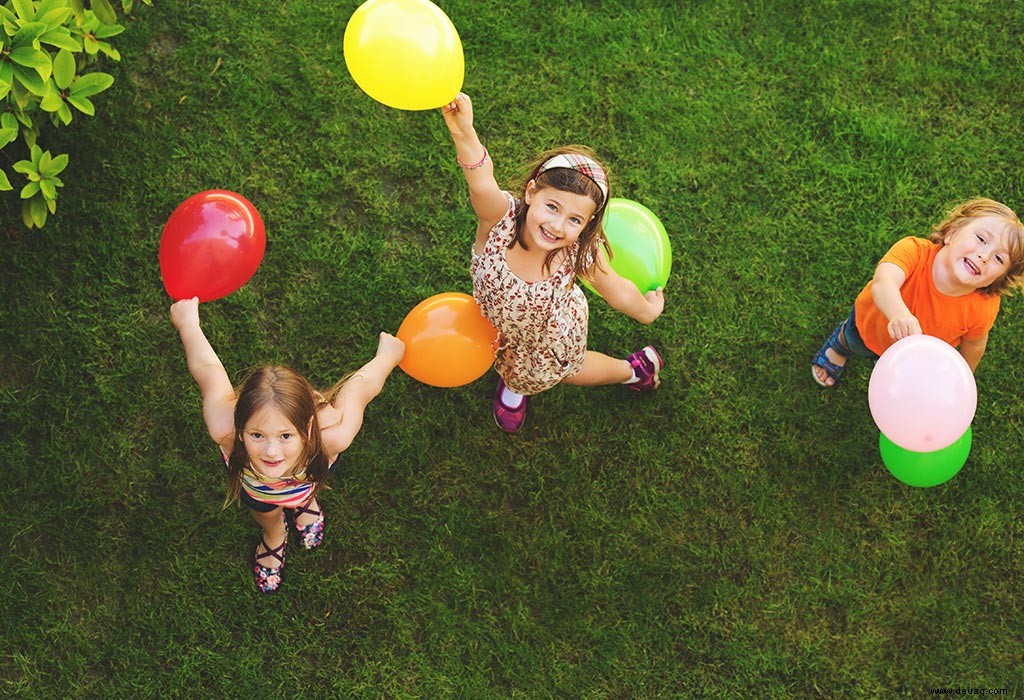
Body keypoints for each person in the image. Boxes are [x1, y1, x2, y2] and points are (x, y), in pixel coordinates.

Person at [440, 93, 667, 434]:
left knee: (566, 370)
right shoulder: (498, 220)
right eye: (553, 207)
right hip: (495, 323)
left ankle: (634, 370)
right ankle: (515, 380)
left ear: (587, 225)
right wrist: (464, 133)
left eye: (575, 220)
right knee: (506, 355)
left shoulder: (578, 254)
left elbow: (617, 291)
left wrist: (646, 312)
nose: (559, 226)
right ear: (531, 193)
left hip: (545, 339)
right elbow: (481, 178)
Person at [170, 297, 405, 592]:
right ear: (240, 427)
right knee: (265, 511)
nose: (271, 452)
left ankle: (304, 502)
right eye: (257, 435)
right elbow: (207, 370)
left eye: (285, 436)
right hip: (256, 490)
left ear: (308, 428)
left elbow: (361, 389)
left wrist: (388, 356)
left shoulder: (333, 436)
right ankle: (274, 535)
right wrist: (188, 323)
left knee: (306, 490)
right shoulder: (224, 429)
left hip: (309, 476)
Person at [812, 198, 1024, 387]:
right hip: (869, 326)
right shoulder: (914, 251)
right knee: (853, 341)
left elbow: (975, 343)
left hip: (914, 357)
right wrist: (898, 314)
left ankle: (884, 364)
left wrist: (963, 376)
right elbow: (883, 282)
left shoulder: (983, 306)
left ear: (1001, 277)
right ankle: (839, 347)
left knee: (894, 373)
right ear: (952, 233)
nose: (985, 256)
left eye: (999, 259)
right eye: (981, 239)